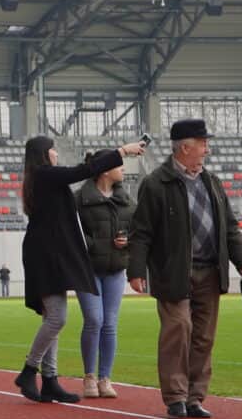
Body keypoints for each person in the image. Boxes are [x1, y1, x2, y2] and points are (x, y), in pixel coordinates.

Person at [127, 119, 242, 419]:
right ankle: (175, 397)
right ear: (185, 147)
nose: (207, 148)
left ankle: (195, 398)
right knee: (178, 329)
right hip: (173, 272)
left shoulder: (212, 182)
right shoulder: (156, 183)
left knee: (204, 337)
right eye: (202, 143)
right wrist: (136, 270)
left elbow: (230, 227)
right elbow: (141, 231)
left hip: (210, 271)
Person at [14, 138, 144, 404]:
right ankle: (29, 369)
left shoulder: (44, 177)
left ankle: (49, 380)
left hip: (51, 255)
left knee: (52, 319)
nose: (55, 152)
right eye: (52, 148)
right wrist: (121, 151)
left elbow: (79, 171)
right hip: (45, 256)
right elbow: (80, 173)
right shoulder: (44, 174)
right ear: (42, 154)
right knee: (57, 319)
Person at [75, 150, 137, 399]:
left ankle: (105, 378)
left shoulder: (126, 200)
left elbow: (140, 228)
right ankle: (89, 376)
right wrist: (94, 245)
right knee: (94, 319)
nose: (123, 170)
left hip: (115, 269)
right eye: (119, 165)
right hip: (87, 270)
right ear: (104, 170)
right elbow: (72, 231)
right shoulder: (79, 199)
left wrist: (128, 240)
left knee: (110, 323)